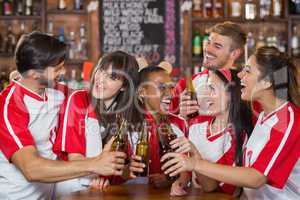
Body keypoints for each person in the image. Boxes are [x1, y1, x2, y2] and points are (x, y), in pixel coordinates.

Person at [161, 47, 300, 200]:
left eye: (247, 71)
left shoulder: (288, 121)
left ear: (266, 82)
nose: (240, 75)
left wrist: (194, 164)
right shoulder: (264, 116)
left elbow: (256, 178)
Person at [0, 32, 126, 200]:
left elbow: (89, 97)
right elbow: (31, 169)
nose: (64, 71)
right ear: (35, 73)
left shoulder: (53, 90)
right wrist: (95, 164)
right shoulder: (9, 107)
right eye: (58, 68)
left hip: (52, 195)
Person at [53, 51, 143, 196]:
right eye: (101, 70)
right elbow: (74, 158)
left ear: (124, 87)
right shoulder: (79, 99)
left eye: (112, 77)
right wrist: (96, 173)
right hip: (71, 189)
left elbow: (117, 170)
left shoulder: (123, 116)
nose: (100, 79)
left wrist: (127, 170)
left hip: (101, 192)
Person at [170, 68, 253, 196]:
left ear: (231, 94)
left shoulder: (239, 137)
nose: (206, 95)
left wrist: (195, 155)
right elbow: (186, 168)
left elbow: (212, 188)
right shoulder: (196, 126)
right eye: (207, 88)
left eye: (213, 89)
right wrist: (181, 182)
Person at [170, 21, 247, 118]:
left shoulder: (247, 87)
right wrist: (182, 118)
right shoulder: (186, 85)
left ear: (234, 53)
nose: (207, 49)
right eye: (208, 42)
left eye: (217, 46)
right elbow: (166, 127)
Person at [129, 66, 187, 188]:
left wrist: (169, 180)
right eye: (161, 87)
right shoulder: (128, 125)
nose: (170, 94)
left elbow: (188, 169)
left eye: (171, 88)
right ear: (142, 92)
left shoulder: (180, 124)